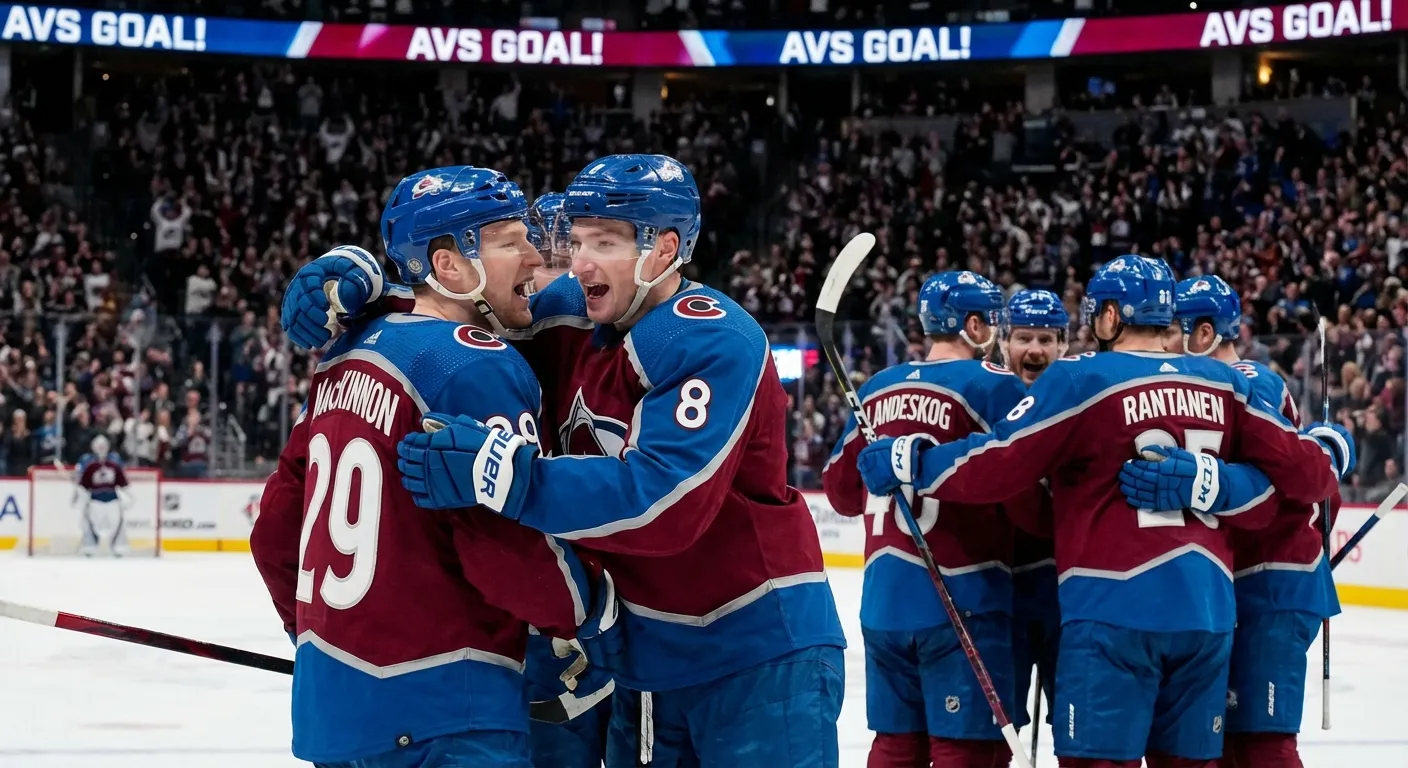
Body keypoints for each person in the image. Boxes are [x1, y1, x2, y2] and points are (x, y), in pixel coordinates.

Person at [283, 154, 846, 767]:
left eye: (603, 242)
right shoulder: (566, 316)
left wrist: (510, 475)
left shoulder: (711, 337)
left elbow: (664, 502)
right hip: (647, 662)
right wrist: (360, 291)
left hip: (754, 649)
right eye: (575, 240)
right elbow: (450, 312)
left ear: (663, 250)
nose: (577, 263)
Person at [854, 255, 1344, 768]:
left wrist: (916, 461)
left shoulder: (1084, 378)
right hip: (1208, 614)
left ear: (1109, 317)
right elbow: (1304, 482)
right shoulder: (1227, 384)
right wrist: (1217, 480)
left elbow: (999, 460)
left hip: (1112, 611)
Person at [252, 167, 614, 768]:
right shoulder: (476, 365)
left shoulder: (343, 356)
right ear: (450, 267)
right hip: (451, 715)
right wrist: (588, 607)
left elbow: (275, 531)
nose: (532, 256)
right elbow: (503, 546)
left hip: (336, 714)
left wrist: (321, 644)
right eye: (509, 241)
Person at [1118, 276, 1346, 768]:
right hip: (1236, 588)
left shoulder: (1248, 381)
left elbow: (1297, 482)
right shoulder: (1194, 386)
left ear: (1204, 334)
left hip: (1273, 587)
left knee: (1262, 743)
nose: (1160, 340)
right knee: (1221, 743)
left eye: (1170, 329)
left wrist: (1328, 454)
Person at [821, 271, 1030, 767]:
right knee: (967, 749)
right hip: (964, 600)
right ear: (974, 324)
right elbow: (1025, 486)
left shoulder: (877, 387)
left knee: (896, 746)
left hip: (883, 603)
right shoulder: (993, 384)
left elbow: (840, 492)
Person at [998, 289, 1068, 743]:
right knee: (998, 737)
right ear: (1005, 342)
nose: (1035, 350)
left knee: (1078, 731)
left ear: (1064, 345)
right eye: (1025, 337)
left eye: (1046, 339)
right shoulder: (987, 399)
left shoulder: (1081, 401)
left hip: (1070, 596)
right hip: (1000, 595)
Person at [74, 434, 132, 557]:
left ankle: (118, 548)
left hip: (113, 500)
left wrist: (127, 495)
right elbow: (83, 483)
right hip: (94, 500)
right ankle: (89, 547)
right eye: (99, 446)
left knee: (117, 524)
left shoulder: (115, 461)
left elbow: (122, 481)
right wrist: (80, 496)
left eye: (103, 446)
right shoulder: (88, 462)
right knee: (90, 524)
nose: (101, 448)